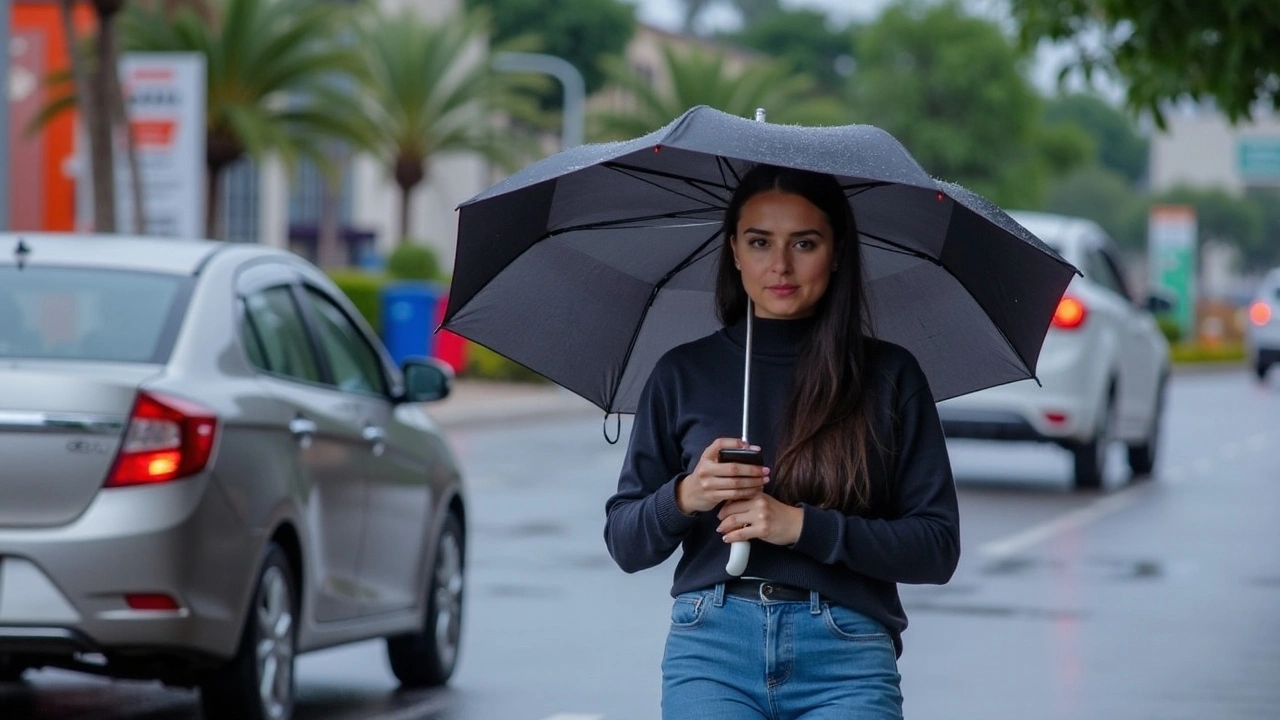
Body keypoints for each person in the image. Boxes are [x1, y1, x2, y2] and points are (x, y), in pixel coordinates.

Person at [604, 164, 960, 719]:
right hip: (713, 649)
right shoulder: (683, 373)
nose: (781, 265)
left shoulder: (888, 376)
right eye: (760, 242)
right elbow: (624, 542)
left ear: (837, 251)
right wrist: (686, 495)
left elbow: (936, 548)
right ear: (734, 251)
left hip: (847, 655)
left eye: (805, 243)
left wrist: (799, 526)